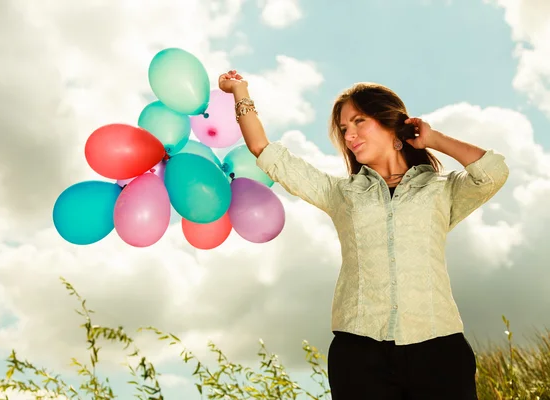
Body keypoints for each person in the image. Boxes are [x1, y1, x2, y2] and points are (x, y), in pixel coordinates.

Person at [218, 69, 509, 400]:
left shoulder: (441, 190)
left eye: (359, 121)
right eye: (344, 128)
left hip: (438, 347)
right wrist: (239, 90)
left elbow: (493, 171)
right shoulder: (341, 193)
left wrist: (433, 139)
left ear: (391, 124)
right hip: (359, 354)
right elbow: (265, 151)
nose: (349, 135)